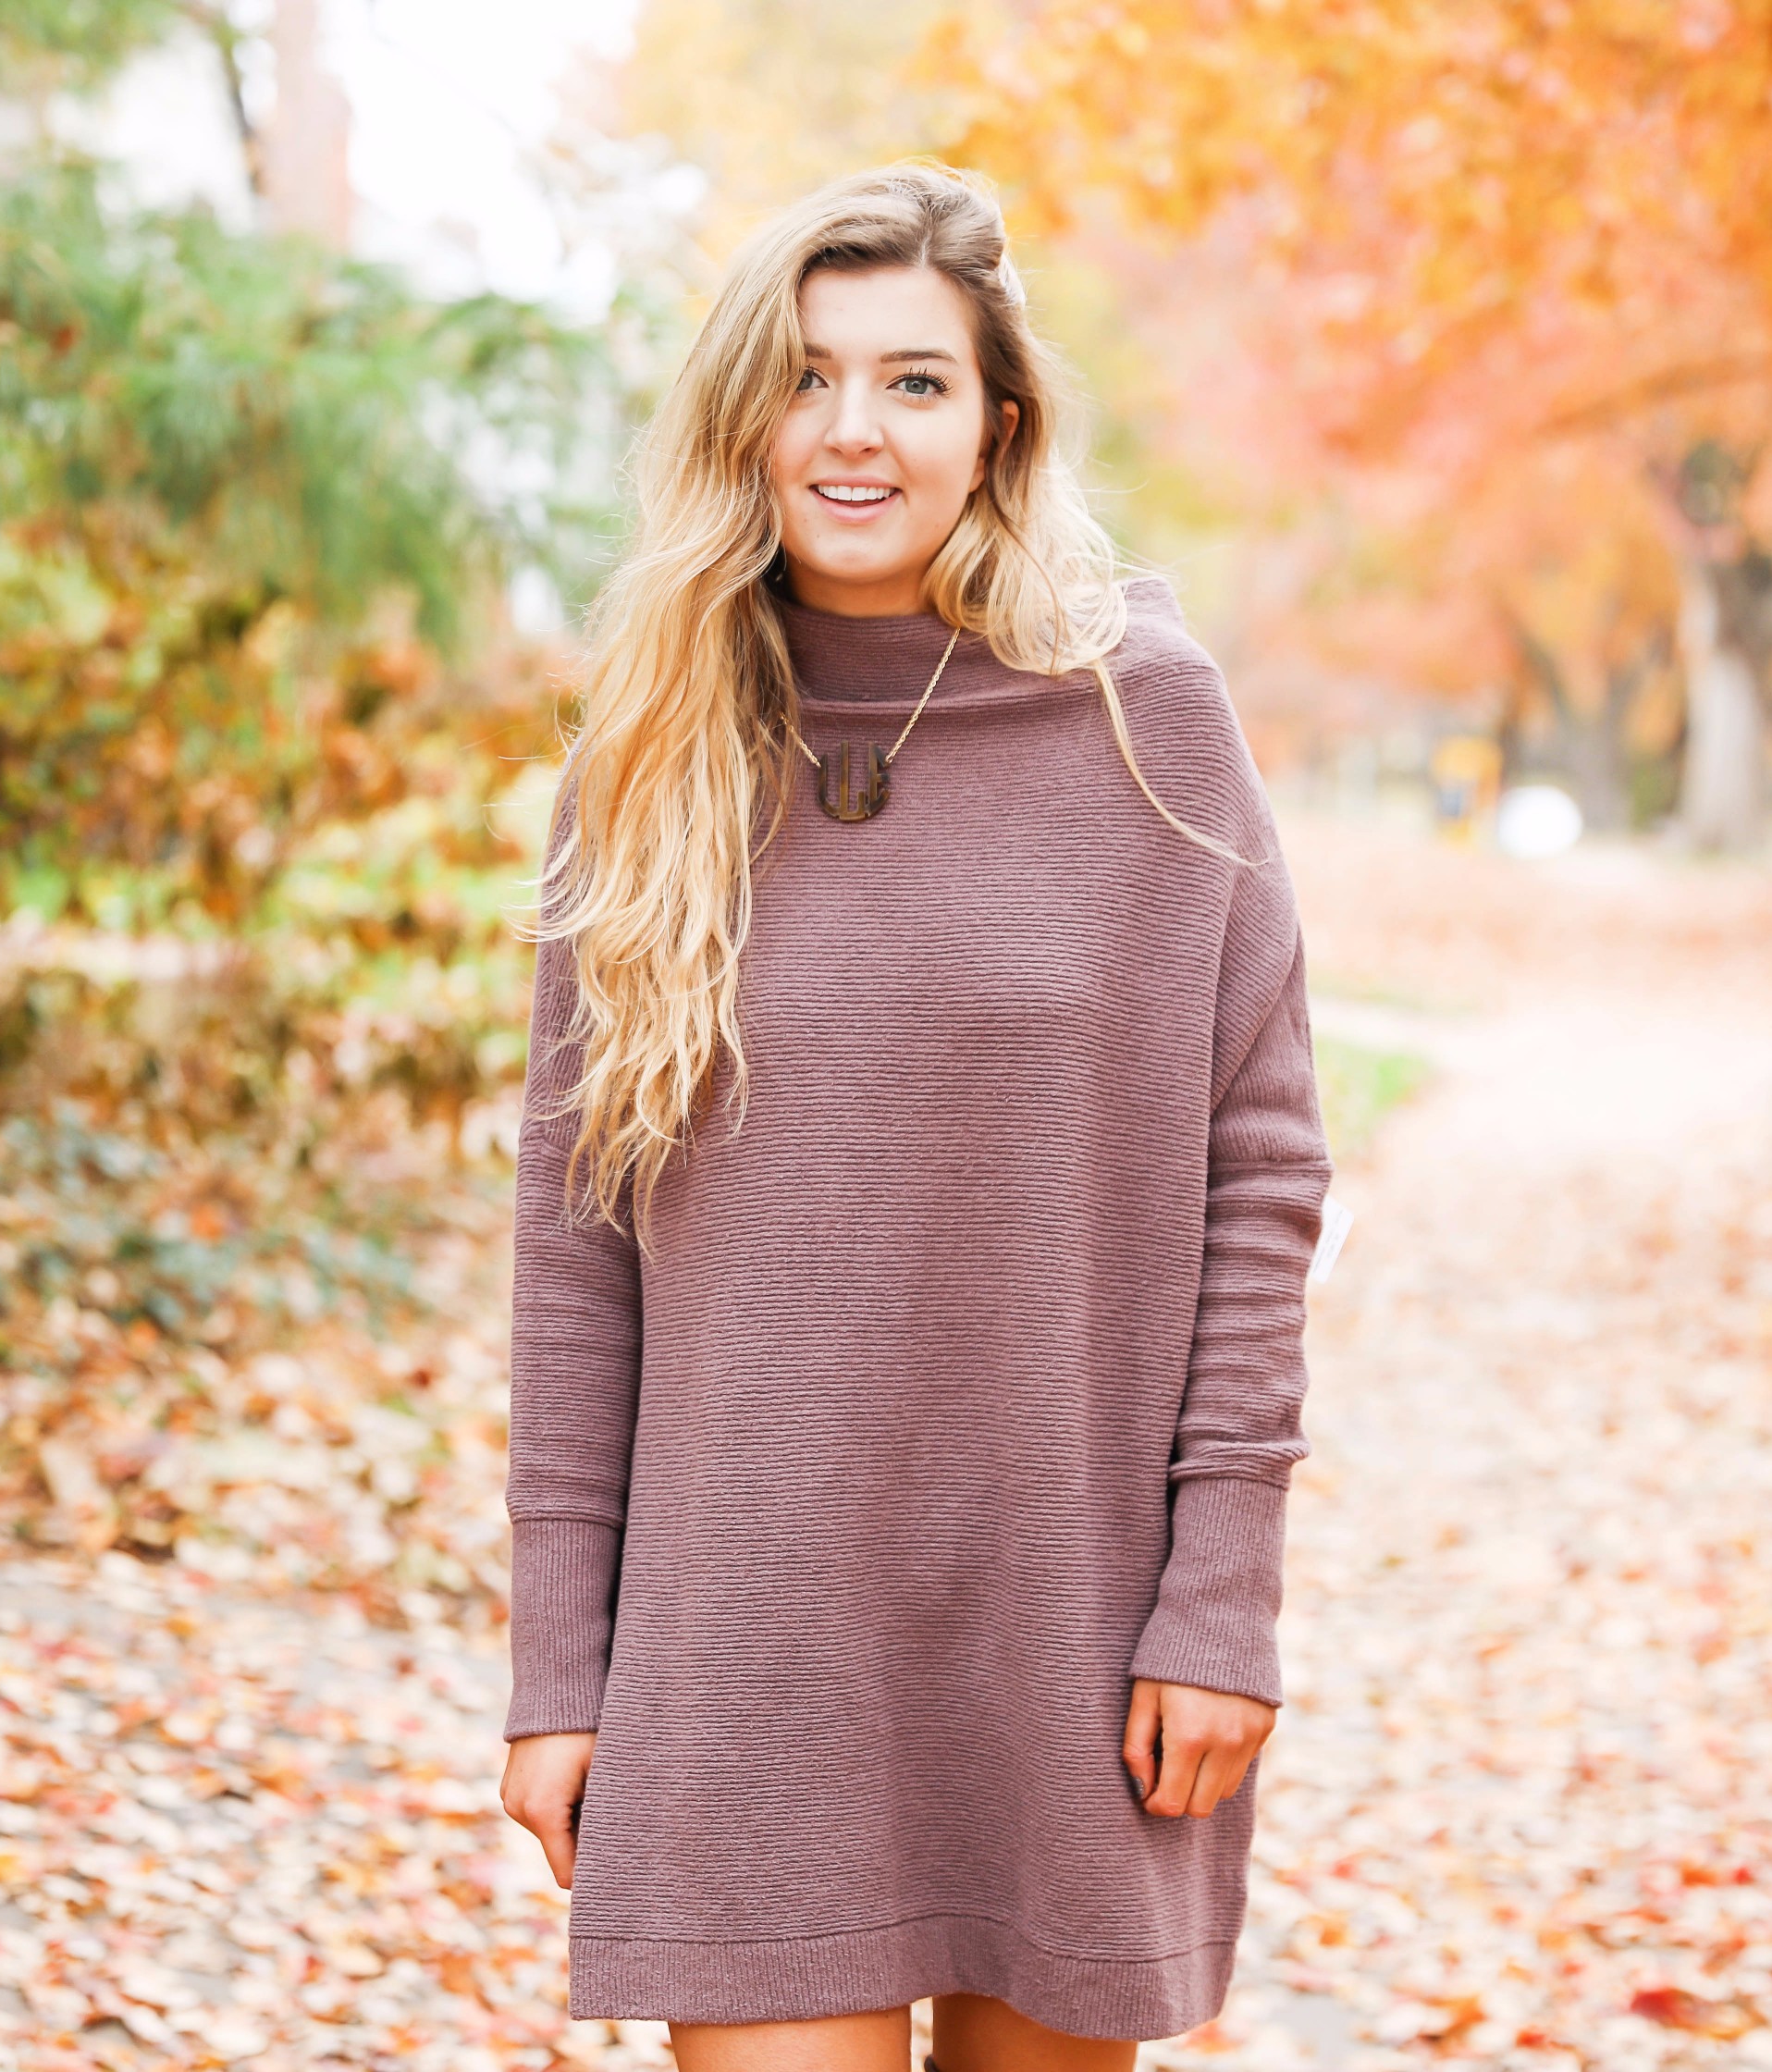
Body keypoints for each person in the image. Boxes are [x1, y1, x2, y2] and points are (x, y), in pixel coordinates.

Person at [499, 162, 1330, 2072]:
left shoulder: (1144, 719)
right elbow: (576, 1236)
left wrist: (1221, 1603)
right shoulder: (653, 757)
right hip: (748, 1624)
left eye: (915, 382)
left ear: (1000, 426)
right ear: (744, 422)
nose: (854, 430)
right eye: (806, 379)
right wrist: (564, 1663)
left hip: (1074, 1614)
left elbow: (1266, 1178)